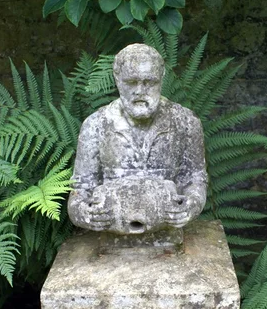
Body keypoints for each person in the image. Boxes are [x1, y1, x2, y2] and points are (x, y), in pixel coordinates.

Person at [68, 43, 207, 233]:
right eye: (131, 82)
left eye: (149, 82)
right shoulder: (96, 125)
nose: (140, 90)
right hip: (112, 231)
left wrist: (192, 203)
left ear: (161, 78)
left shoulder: (185, 122)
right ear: (117, 80)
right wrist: (82, 212)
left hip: (167, 228)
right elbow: (80, 189)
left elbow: (195, 178)